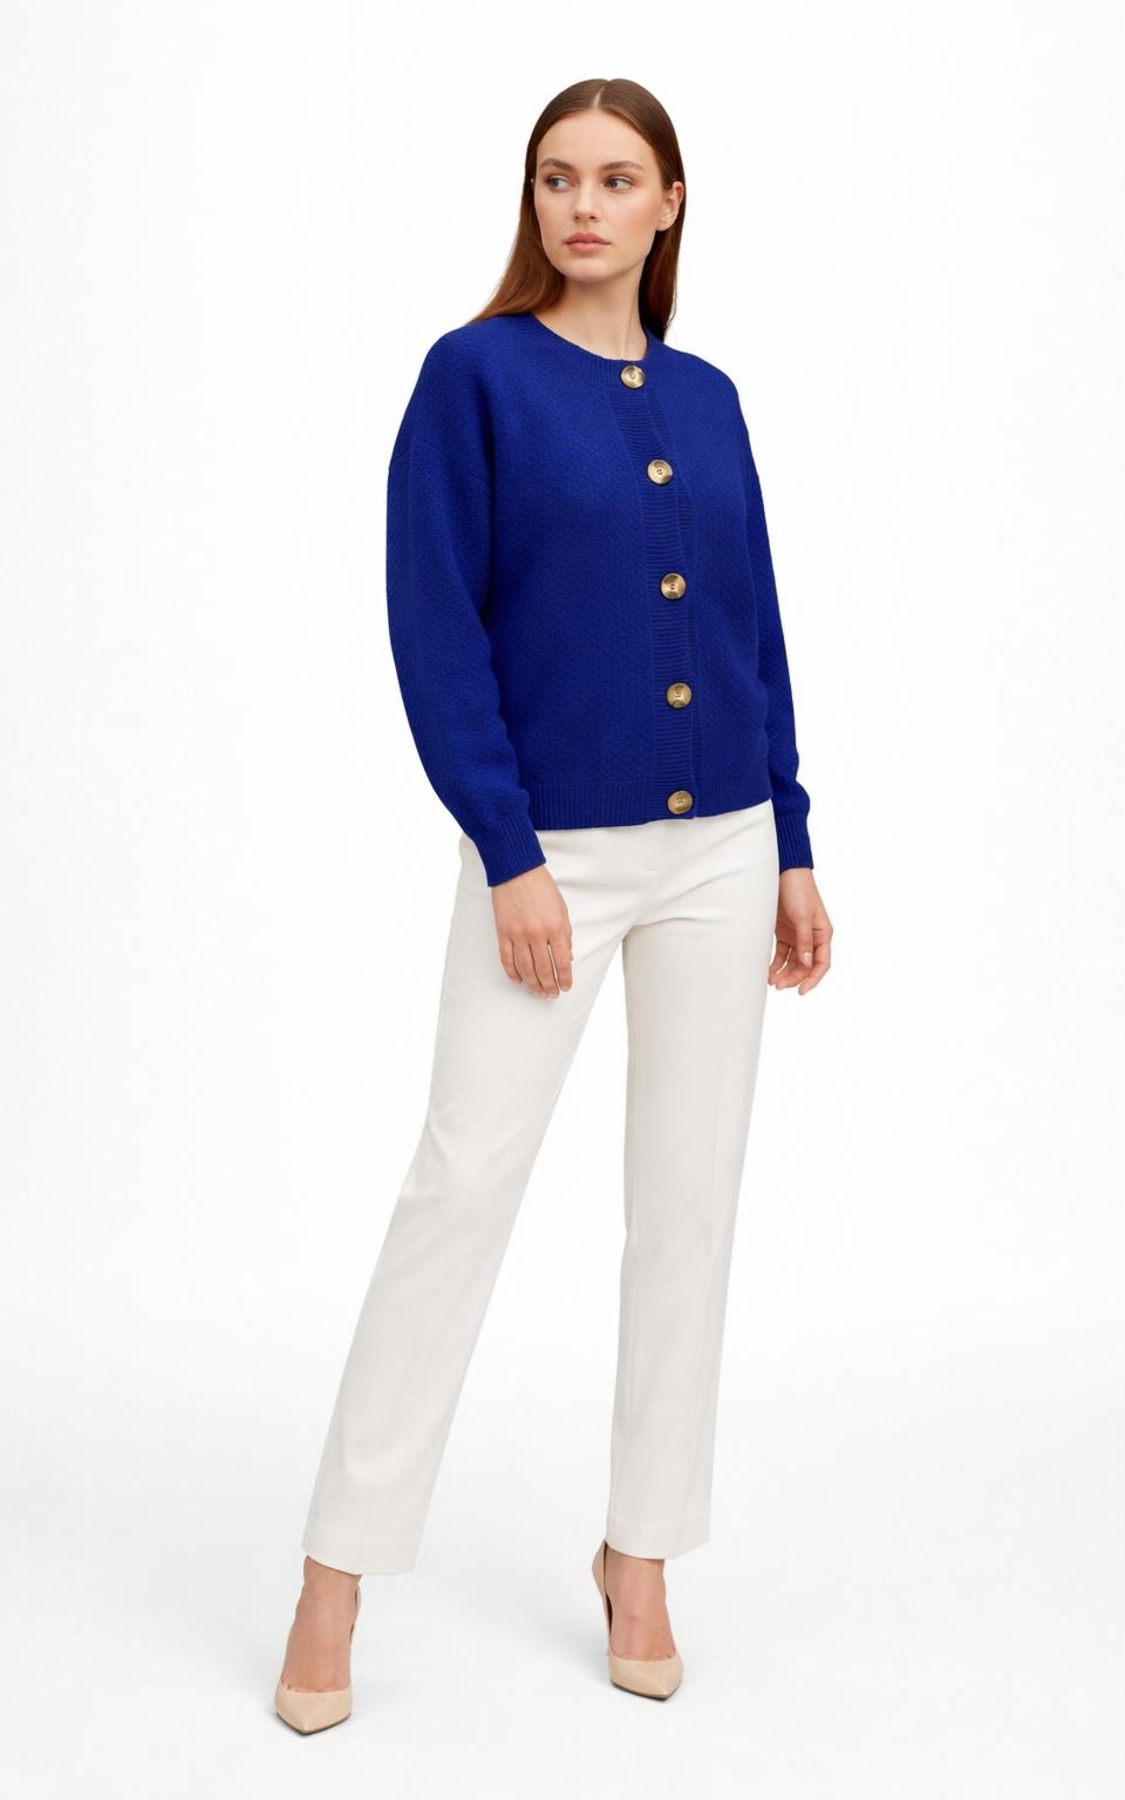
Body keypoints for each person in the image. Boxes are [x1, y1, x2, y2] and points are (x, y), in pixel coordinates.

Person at [275, 75, 833, 1733]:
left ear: (670, 203)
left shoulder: (712, 398)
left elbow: (752, 626)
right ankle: (335, 1568)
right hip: (555, 856)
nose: (582, 206)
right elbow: (435, 626)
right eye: (556, 178)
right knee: (462, 1185)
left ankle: (640, 1552)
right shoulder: (476, 377)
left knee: (688, 1205)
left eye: (615, 178)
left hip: (724, 849)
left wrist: (794, 840)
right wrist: (508, 851)